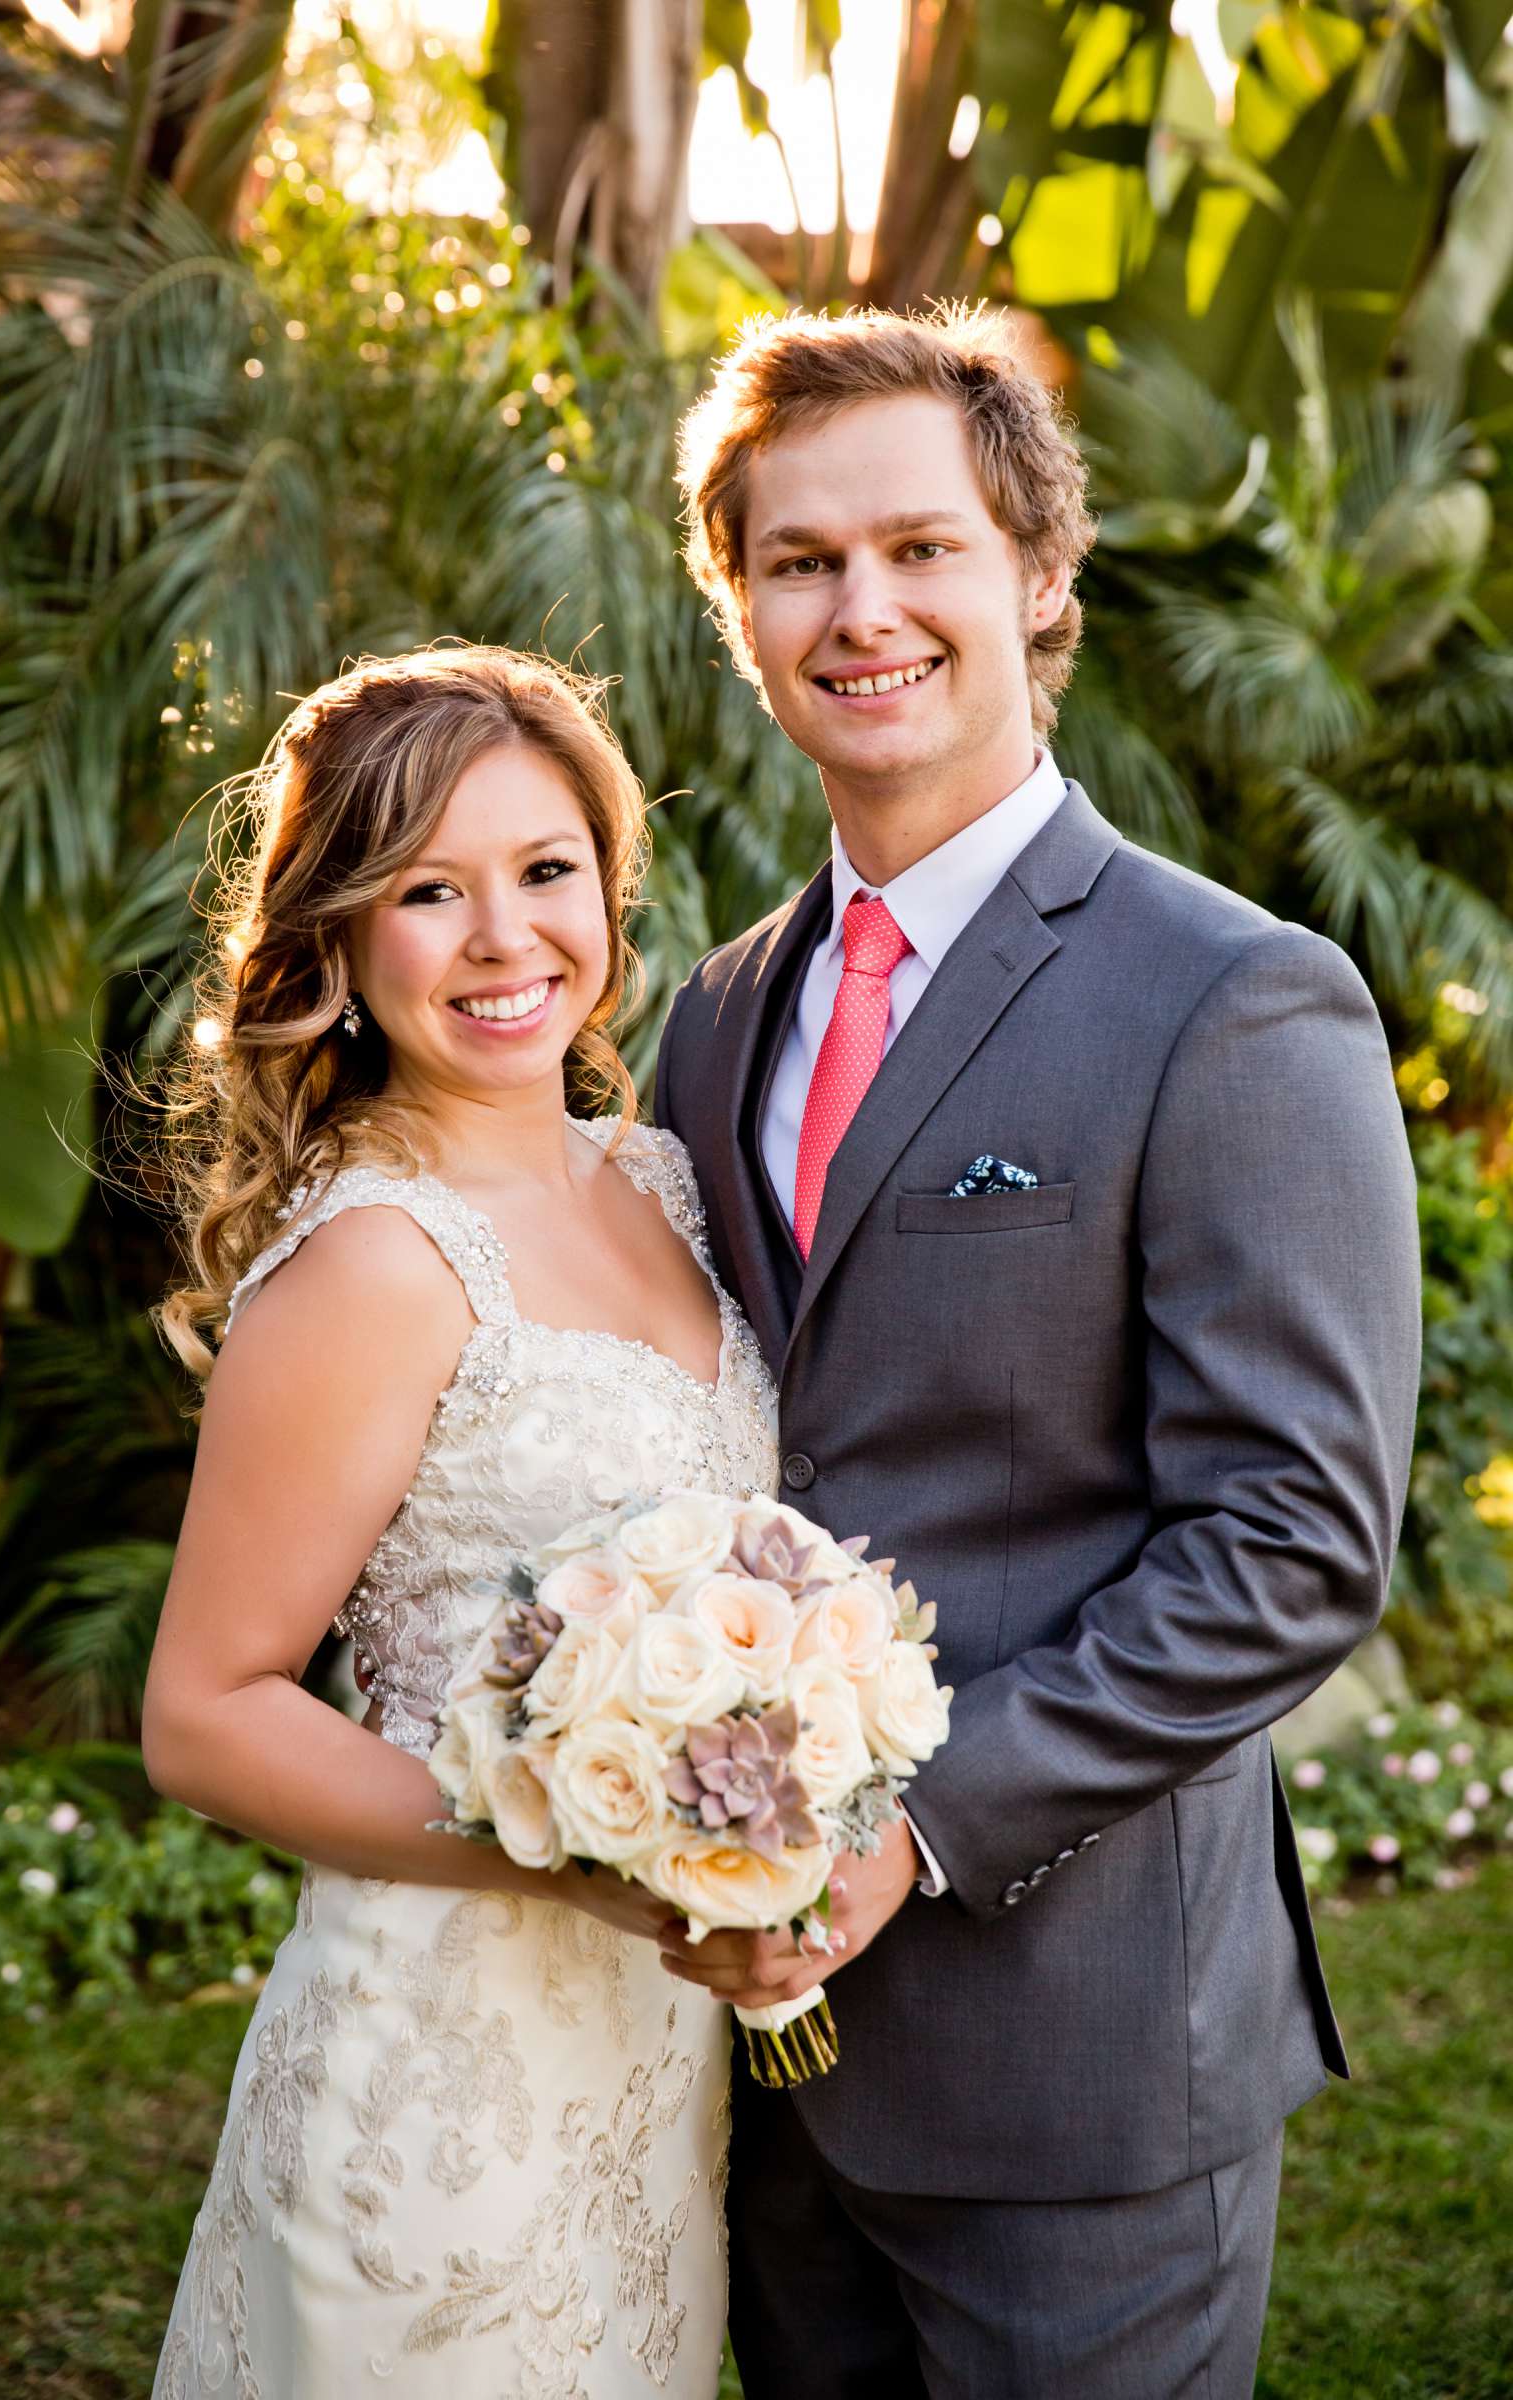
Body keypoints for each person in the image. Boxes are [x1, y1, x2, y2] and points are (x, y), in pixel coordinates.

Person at [653, 306, 1422, 2398]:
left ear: (1037, 580)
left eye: (921, 547)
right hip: (757, 2057)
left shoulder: (1234, 1000)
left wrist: (903, 1833)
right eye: (797, 560)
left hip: (1076, 2058)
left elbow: (1288, 1541)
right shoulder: (716, 1013)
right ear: (737, 608)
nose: (860, 607)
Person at [143, 645, 777, 2399]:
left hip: (650, 2062)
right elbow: (206, 1712)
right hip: (437, 2076)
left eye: (544, 871)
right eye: (430, 890)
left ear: (608, 887)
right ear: (338, 943)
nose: (507, 942)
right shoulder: (373, 1265)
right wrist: (566, 1840)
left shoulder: (654, 1180)